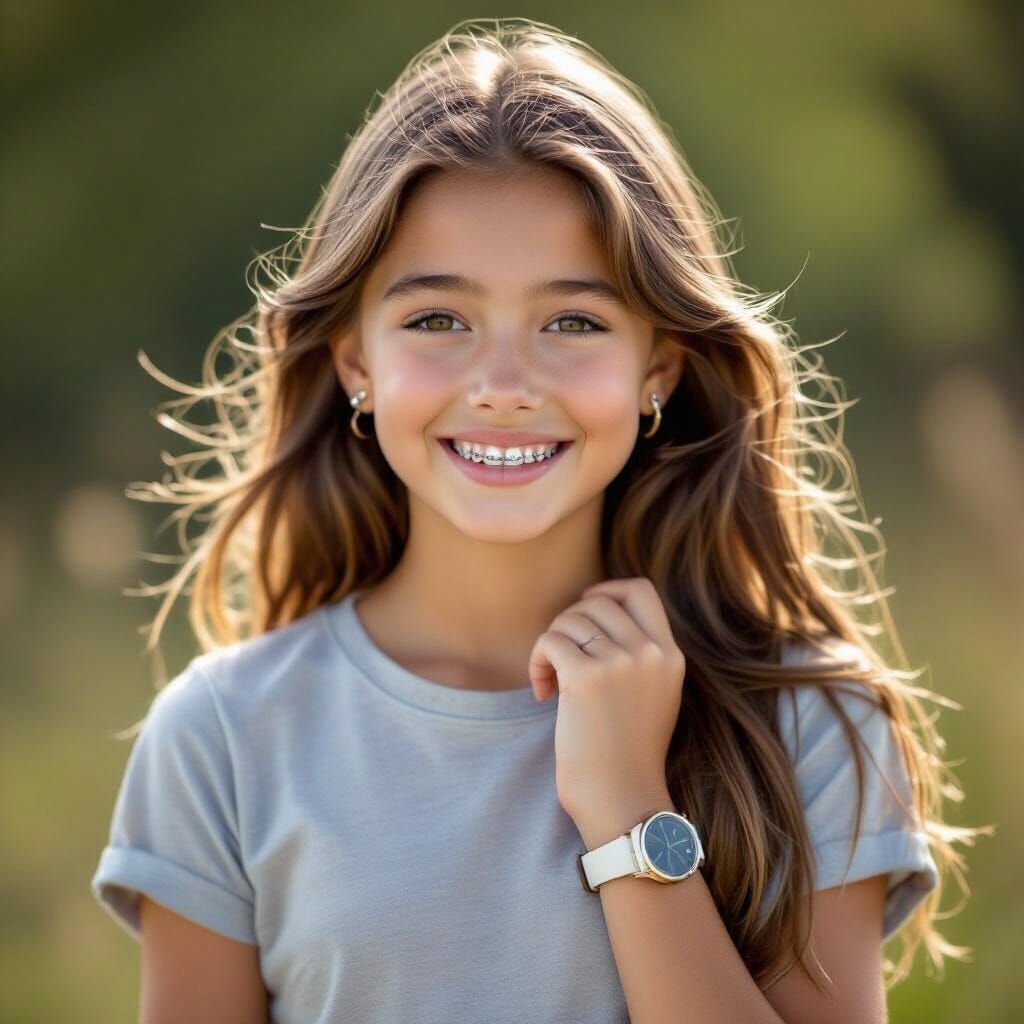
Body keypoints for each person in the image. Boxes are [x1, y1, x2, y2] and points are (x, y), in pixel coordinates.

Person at [90, 17, 983, 1024]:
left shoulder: (809, 722)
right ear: (354, 364)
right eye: (438, 320)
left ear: (658, 366)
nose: (504, 385)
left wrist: (629, 806)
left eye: (573, 322)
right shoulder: (222, 740)